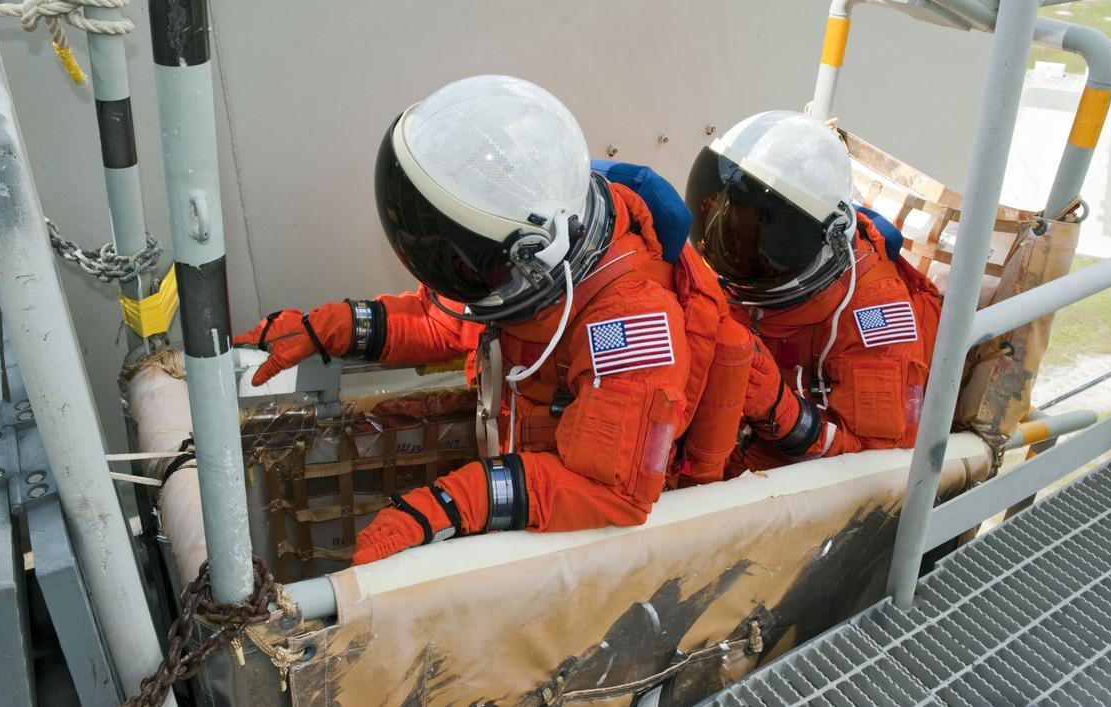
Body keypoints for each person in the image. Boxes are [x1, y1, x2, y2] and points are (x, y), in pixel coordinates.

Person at [237, 75, 752, 564]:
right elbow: (445, 317)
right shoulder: (524, 262)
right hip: (519, 469)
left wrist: (451, 505)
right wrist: (335, 327)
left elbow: (612, 492)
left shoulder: (633, 321)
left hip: (590, 538)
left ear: (531, 259)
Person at [684, 111, 942, 471]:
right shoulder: (733, 261)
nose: (731, 240)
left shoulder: (871, 314)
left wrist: (780, 409)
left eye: (762, 237)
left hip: (792, 476)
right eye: (726, 217)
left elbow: (875, 461)